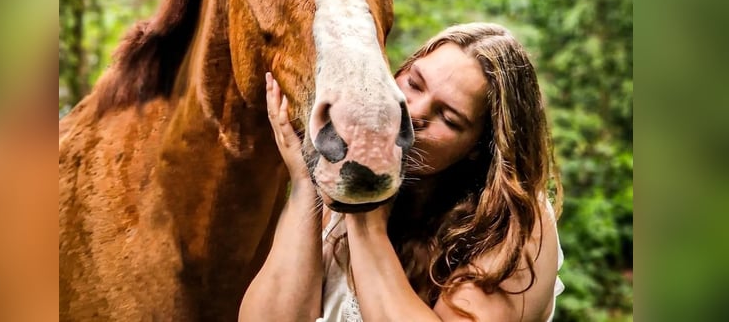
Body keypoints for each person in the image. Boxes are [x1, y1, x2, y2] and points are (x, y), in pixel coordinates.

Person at [239, 22, 564, 322]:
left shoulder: (514, 220)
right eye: (414, 83)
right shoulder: (352, 162)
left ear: (480, 148)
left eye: (448, 118)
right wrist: (306, 178)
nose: (412, 111)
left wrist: (366, 217)